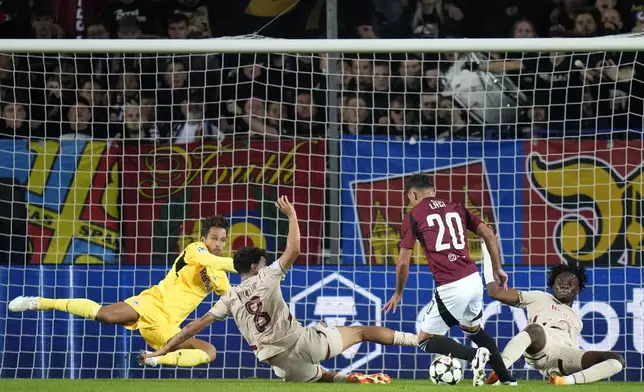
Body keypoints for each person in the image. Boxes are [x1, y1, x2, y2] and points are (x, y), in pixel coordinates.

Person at [140, 196, 418, 384]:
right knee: (362, 332)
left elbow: (190, 329)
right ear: (256, 266)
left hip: (280, 364)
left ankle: (350, 380)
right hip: (303, 343)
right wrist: (292, 214)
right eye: (263, 261)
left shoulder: (229, 298)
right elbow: (294, 249)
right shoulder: (268, 276)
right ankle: (416, 341)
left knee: (319, 376)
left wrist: (159, 352)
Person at [9, 215, 236, 367]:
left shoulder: (220, 278)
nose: (217, 244)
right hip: (151, 304)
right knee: (105, 316)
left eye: (222, 240)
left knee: (210, 352)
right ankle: (38, 302)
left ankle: (154, 359)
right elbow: (208, 259)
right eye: (213, 238)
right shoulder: (195, 249)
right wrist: (240, 264)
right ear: (203, 238)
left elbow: (232, 299)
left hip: (167, 326)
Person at [382, 173, 516, 386]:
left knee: (425, 340)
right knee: (473, 330)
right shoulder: (458, 207)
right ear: (434, 191)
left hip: (450, 284)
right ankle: (508, 379)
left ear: (412, 195)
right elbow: (489, 235)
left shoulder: (414, 215)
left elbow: (403, 262)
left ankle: (475, 356)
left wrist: (398, 292)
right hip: (473, 279)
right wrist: (498, 268)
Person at [483, 254, 625, 385]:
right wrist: (487, 251)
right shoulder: (539, 297)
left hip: (565, 356)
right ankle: (500, 371)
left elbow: (572, 348)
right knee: (534, 329)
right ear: (553, 285)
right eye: (560, 282)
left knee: (617, 360)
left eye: (570, 283)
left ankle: (564, 381)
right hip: (542, 347)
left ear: (578, 288)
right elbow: (495, 292)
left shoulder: (577, 321)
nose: (564, 284)